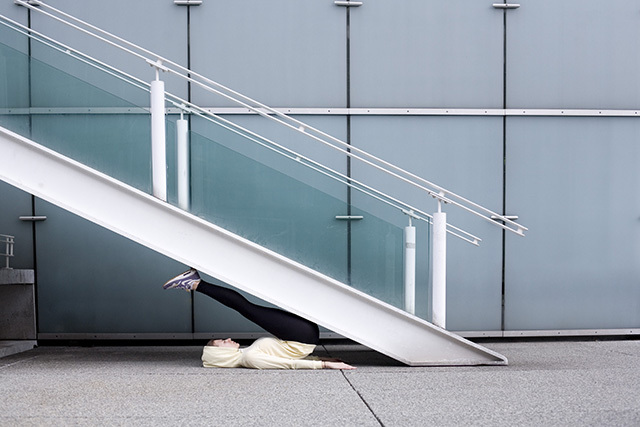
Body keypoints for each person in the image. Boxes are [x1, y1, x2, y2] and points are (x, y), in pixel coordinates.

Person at [163, 269, 356, 370]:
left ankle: (196, 283)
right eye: (222, 342)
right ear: (219, 354)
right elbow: (289, 364)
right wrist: (324, 364)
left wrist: (322, 357)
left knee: (249, 308)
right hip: (303, 336)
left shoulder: (247, 354)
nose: (227, 340)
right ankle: (196, 283)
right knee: (247, 308)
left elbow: (286, 356)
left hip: (303, 337)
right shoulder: (250, 358)